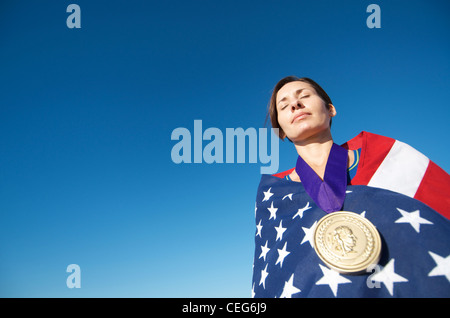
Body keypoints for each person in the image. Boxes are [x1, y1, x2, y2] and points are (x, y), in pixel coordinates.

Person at [252, 76, 450, 298]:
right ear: (281, 131)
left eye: (304, 96)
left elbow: (440, 214)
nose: (295, 105)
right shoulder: (274, 194)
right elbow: (272, 279)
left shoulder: (386, 155)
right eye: (284, 105)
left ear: (330, 109)